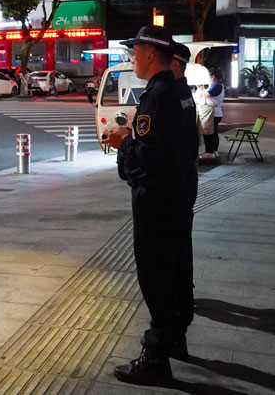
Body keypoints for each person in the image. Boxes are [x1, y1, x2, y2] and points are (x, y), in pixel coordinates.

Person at [101, 25, 192, 385]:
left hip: (157, 197)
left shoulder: (156, 96)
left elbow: (149, 158)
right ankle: (176, 337)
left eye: (134, 53)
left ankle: (156, 357)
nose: (132, 59)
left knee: (155, 274)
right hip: (181, 192)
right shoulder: (180, 91)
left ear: (150, 55)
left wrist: (122, 141)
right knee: (177, 266)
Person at [169, 41, 199, 359]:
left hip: (176, 188)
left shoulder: (170, 95)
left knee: (173, 256)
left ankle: (176, 329)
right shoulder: (185, 94)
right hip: (186, 183)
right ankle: (184, 308)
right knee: (181, 250)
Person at [199, 70, 225, 158]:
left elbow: (208, 94)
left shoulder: (216, 85)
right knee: (213, 133)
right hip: (215, 113)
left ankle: (209, 152)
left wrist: (200, 90)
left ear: (213, 76)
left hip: (212, 113)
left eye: (208, 76)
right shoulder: (217, 85)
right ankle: (214, 151)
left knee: (208, 133)